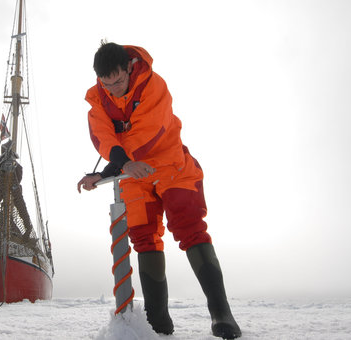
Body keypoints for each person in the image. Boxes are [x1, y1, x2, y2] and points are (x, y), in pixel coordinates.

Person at [76, 42, 241, 339]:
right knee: (144, 239)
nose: (113, 88)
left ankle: (221, 313)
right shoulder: (97, 99)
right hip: (133, 175)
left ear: (129, 67)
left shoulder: (153, 85)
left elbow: (148, 132)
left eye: (119, 80)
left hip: (170, 166)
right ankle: (157, 322)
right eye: (106, 82)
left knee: (190, 230)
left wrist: (116, 167)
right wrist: (106, 172)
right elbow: (102, 134)